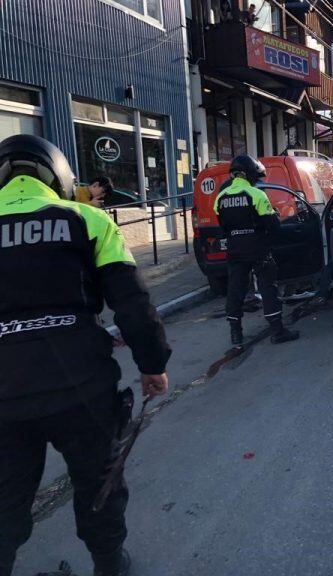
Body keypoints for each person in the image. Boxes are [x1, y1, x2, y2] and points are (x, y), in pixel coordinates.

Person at [0, 135, 171, 576]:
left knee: (4, 499)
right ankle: (109, 565)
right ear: (57, 176)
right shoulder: (88, 219)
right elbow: (132, 304)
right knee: (98, 482)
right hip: (80, 385)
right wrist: (152, 365)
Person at [214, 155, 299, 347]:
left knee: (235, 291)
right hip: (258, 250)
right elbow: (273, 227)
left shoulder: (220, 197)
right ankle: (277, 331)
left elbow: (223, 227)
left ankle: (236, 334)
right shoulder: (256, 195)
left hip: (235, 251)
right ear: (248, 174)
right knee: (268, 288)